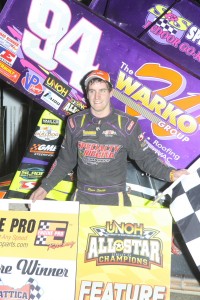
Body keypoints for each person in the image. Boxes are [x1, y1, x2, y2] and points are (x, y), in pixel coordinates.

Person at [30, 70, 188, 205]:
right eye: (92, 91)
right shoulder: (74, 122)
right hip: (83, 197)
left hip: (115, 199)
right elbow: (65, 161)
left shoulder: (127, 124)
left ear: (111, 92)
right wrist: (45, 187)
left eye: (102, 90)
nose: (97, 97)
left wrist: (171, 174)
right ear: (86, 93)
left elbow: (145, 159)